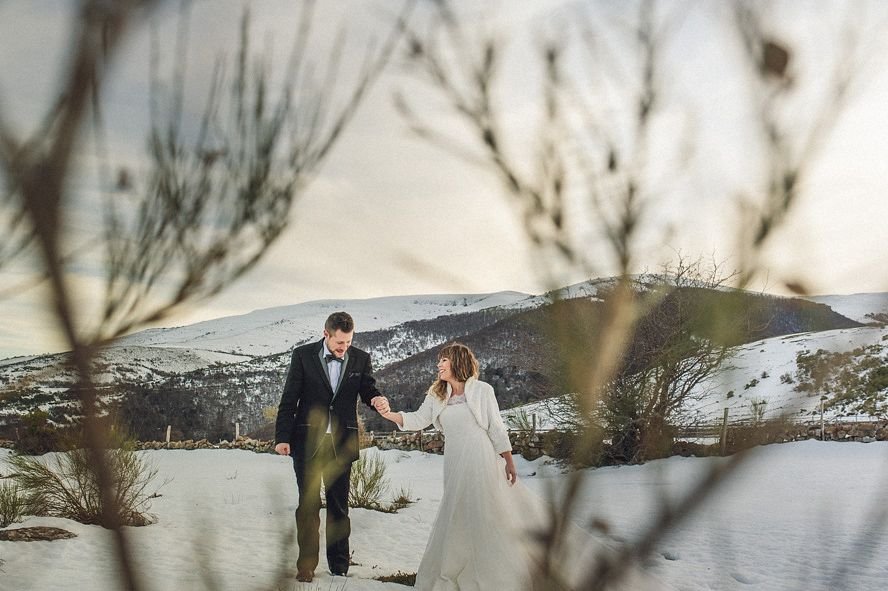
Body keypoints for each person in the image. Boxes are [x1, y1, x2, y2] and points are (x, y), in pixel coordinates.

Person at [374, 342, 535, 589]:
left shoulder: (483, 390)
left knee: (484, 508)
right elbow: (419, 419)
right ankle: (458, 564)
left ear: (457, 362)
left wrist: (509, 461)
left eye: (443, 361)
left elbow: (495, 427)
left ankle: (493, 567)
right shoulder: (437, 395)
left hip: (481, 456)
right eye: (439, 361)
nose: (438, 365)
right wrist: (390, 415)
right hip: (455, 459)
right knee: (457, 509)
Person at [274, 311, 388, 583]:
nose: (344, 348)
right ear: (326, 333)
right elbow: (289, 397)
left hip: (342, 443)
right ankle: (306, 566)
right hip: (307, 442)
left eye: (348, 342)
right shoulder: (302, 356)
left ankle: (339, 567)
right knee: (308, 506)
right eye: (340, 343)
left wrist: (377, 399)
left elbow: (368, 389)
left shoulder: (361, 358)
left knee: (339, 506)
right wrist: (282, 437)